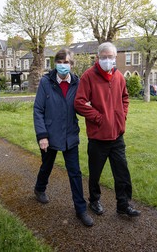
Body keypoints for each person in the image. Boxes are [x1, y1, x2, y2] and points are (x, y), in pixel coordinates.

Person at [74, 42, 141, 217]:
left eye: (111, 57)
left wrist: (122, 116)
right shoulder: (88, 76)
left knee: (122, 172)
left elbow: (125, 98)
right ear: (98, 57)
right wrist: (99, 118)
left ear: (115, 57)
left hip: (117, 136)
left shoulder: (119, 76)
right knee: (95, 173)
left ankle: (123, 204)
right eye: (104, 57)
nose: (107, 60)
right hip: (98, 137)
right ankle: (94, 200)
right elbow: (79, 103)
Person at [33, 49, 94, 227]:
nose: (62, 65)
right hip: (50, 135)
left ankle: (81, 209)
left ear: (71, 65)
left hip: (70, 135)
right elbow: (38, 110)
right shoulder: (46, 82)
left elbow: (81, 105)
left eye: (66, 62)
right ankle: (39, 189)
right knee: (47, 165)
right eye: (59, 61)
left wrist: (87, 108)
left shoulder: (78, 82)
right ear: (55, 64)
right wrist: (42, 135)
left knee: (75, 172)